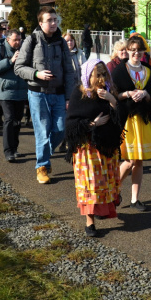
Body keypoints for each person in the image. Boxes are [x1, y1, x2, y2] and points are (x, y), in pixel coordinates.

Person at [14, 9, 77, 184]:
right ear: (41, 23)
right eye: (49, 20)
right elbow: (18, 67)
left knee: (60, 129)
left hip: (58, 94)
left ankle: (45, 154)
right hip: (37, 94)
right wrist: (36, 74)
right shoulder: (31, 40)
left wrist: (68, 97)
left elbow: (69, 71)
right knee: (43, 131)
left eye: (55, 20)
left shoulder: (61, 42)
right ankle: (42, 166)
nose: (53, 23)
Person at [65, 59, 125, 237]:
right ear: (88, 76)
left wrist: (113, 100)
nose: (101, 79)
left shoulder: (108, 91)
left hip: (106, 148)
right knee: (90, 186)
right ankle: (89, 222)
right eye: (97, 75)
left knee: (105, 184)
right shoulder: (79, 94)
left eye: (104, 74)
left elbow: (119, 122)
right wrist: (92, 123)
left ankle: (105, 208)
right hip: (87, 149)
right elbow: (71, 124)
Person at [111, 34, 151, 212]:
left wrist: (146, 94)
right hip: (127, 120)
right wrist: (129, 94)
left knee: (139, 162)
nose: (136, 53)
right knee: (130, 160)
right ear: (127, 51)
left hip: (144, 120)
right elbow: (114, 94)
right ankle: (113, 189)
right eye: (132, 50)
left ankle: (135, 199)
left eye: (139, 50)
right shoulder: (120, 71)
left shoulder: (148, 71)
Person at [0, 30, 28, 162]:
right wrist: (10, 61)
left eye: (19, 40)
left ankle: (15, 148)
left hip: (21, 91)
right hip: (5, 91)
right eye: (15, 40)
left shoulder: (24, 50)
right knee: (9, 119)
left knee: (17, 121)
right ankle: (8, 151)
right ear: (7, 40)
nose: (17, 42)